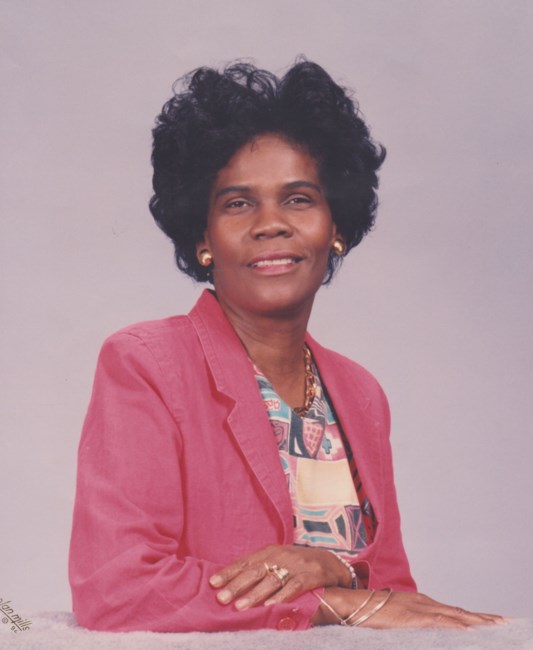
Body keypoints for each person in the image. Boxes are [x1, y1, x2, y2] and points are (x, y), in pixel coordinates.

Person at [69, 60, 503, 632]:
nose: (270, 223)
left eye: (298, 199)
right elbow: (118, 589)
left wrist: (332, 568)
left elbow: (392, 594)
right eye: (238, 203)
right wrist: (328, 602)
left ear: (336, 226)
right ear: (202, 237)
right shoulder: (147, 364)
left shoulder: (360, 394)